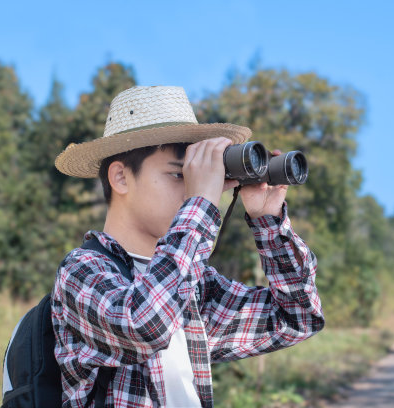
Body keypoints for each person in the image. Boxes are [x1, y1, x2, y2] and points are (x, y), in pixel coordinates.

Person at [51, 86, 325, 407]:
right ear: (121, 178)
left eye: (194, 176)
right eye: (178, 174)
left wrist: (268, 221)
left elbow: (297, 319)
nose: (192, 188)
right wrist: (201, 202)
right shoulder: (82, 271)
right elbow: (145, 324)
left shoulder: (195, 286)